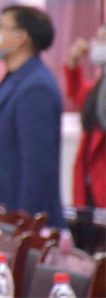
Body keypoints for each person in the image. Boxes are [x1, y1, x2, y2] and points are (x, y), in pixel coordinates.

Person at [0, 5, 65, 228]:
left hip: (18, 218)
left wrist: (23, 222)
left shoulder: (35, 87)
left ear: (21, 37)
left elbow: (37, 166)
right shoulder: (16, 79)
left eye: (2, 27)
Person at [63, 25, 106, 208]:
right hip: (89, 180)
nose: (98, 46)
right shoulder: (99, 86)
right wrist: (73, 61)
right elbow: (77, 93)